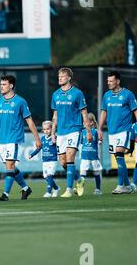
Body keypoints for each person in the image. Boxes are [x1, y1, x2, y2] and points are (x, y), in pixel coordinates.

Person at [0, 74, 41, 201]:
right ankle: (25, 189)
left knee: (10, 165)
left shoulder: (20, 101)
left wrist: (37, 138)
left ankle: (5, 194)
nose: (1, 87)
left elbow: (29, 121)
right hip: (3, 140)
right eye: (1, 84)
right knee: (10, 167)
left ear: (11, 85)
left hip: (14, 138)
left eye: (4, 84)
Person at [98, 71, 137, 194]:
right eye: (108, 81)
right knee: (118, 159)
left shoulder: (128, 94)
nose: (108, 83)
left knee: (119, 155)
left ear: (118, 81)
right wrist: (99, 128)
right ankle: (128, 186)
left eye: (111, 81)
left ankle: (120, 185)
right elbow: (103, 112)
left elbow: (136, 112)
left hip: (124, 130)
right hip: (112, 132)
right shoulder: (107, 95)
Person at [51, 67, 91, 198]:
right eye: (59, 76)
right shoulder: (55, 94)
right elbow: (55, 115)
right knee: (63, 162)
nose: (60, 78)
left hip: (74, 129)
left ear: (69, 78)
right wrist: (52, 132)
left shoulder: (77, 93)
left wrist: (88, 131)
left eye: (62, 76)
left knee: (70, 158)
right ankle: (79, 180)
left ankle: (68, 189)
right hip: (61, 132)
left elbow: (84, 113)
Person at [29, 120, 60, 198]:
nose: (46, 131)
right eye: (44, 129)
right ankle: (56, 188)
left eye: (48, 129)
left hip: (52, 160)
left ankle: (48, 192)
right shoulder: (42, 138)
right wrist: (32, 154)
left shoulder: (54, 137)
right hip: (45, 161)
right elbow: (39, 148)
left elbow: (59, 146)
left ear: (52, 129)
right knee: (46, 177)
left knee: (49, 175)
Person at [79, 113, 103, 196]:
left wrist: (100, 140)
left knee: (96, 172)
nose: (84, 124)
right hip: (84, 156)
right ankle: (80, 188)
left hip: (94, 156)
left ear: (92, 122)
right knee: (82, 172)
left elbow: (99, 143)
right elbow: (81, 144)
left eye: (86, 122)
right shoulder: (82, 132)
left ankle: (98, 189)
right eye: (84, 122)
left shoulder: (96, 132)